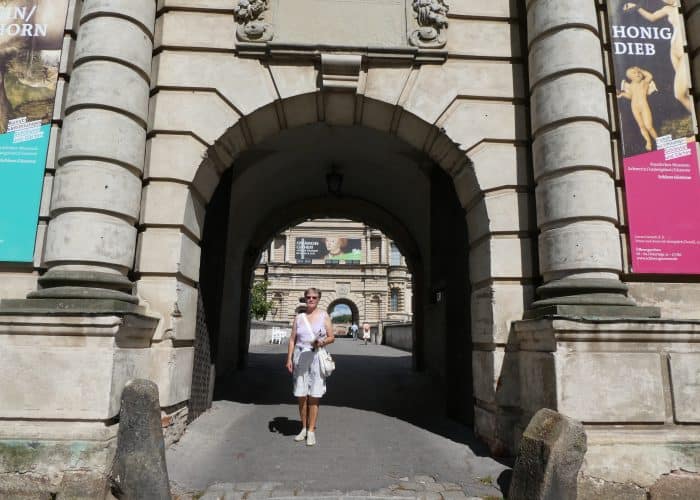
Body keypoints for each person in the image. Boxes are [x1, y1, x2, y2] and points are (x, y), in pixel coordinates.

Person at [285, 287, 334, 446]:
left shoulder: (324, 316)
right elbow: (292, 339)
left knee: (314, 395)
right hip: (300, 356)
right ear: (305, 299)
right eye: (308, 297)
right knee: (301, 395)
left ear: (318, 299)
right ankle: (304, 428)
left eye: (314, 297)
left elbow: (331, 337)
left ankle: (311, 430)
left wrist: (322, 341)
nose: (311, 299)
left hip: (316, 356)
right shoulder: (299, 317)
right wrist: (289, 358)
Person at [623, 1, 693, 113]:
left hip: (684, 51)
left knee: (679, 94)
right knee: (687, 90)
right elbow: (652, 17)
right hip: (674, 53)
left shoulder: (687, 6)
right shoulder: (667, 9)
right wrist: (636, 7)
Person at [617, 66, 659, 151]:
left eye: (639, 72)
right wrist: (622, 94)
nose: (637, 74)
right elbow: (631, 96)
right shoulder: (630, 86)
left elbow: (650, 76)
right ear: (630, 77)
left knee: (649, 126)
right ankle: (648, 142)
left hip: (644, 106)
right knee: (642, 126)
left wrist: (640, 69)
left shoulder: (644, 82)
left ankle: (659, 141)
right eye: (634, 73)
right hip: (634, 107)